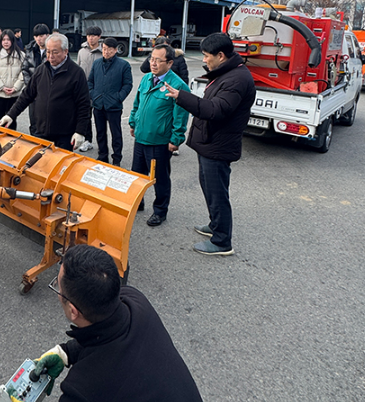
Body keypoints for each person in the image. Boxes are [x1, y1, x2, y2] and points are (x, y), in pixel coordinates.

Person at [29, 244, 203, 401]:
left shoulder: (83, 390)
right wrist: (66, 353)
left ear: (73, 311)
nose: (58, 291)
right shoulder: (135, 300)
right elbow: (107, 334)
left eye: (58, 287)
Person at [164, 32, 256, 255]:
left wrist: (181, 96)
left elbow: (215, 110)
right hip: (210, 142)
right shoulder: (226, 73)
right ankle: (215, 225)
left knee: (217, 194)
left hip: (218, 145)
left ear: (221, 55)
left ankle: (222, 241)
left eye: (206, 56)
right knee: (209, 188)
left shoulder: (236, 79)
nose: (204, 60)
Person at [129, 44, 190, 227]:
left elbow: (181, 116)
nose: (153, 63)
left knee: (160, 179)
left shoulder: (177, 85)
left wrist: (176, 139)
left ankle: (160, 211)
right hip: (141, 137)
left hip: (159, 141)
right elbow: (137, 103)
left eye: (158, 60)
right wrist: (133, 122)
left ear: (169, 63)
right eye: (151, 59)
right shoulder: (146, 78)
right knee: (137, 175)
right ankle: (137, 203)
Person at [0, 33, 90, 151]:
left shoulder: (76, 73)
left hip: (64, 134)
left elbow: (84, 105)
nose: (50, 56)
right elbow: (27, 95)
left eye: (55, 52)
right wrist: (11, 115)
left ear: (65, 51)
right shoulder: (41, 70)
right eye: (48, 51)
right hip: (41, 131)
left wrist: (80, 131)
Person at [87, 37, 132, 166]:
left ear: (115, 50)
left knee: (115, 133)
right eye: (104, 49)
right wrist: (93, 95)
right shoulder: (97, 63)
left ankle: (117, 158)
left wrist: (118, 97)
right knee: (100, 132)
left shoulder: (123, 65)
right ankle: (102, 155)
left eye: (109, 49)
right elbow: (90, 82)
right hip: (98, 104)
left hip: (114, 106)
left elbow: (128, 84)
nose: (106, 52)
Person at [0, 30, 24, 129]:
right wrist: (1, 87)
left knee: (11, 122)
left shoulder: (21, 55)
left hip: (13, 95)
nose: (6, 42)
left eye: (8, 39)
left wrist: (16, 88)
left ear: (13, 41)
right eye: (3, 40)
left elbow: (23, 73)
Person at [75, 25, 103, 153]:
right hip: (84, 89)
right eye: (88, 36)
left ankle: (102, 144)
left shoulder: (103, 52)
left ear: (99, 37)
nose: (90, 38)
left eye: (93, 36)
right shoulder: (82, 52)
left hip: (99, 90)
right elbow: (78, 69)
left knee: (99, 118)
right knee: (85, 115)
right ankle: (87, 140)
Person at [20, 23, 50, 136]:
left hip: (47, 91)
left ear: (47, 35)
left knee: (47, 121)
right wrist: (30, 85)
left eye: (41, 36)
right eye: (36, 36)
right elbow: (25, 69)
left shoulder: (52, 51)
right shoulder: (30, 50)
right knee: (33, 120)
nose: (39, 39)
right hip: (33, 91)